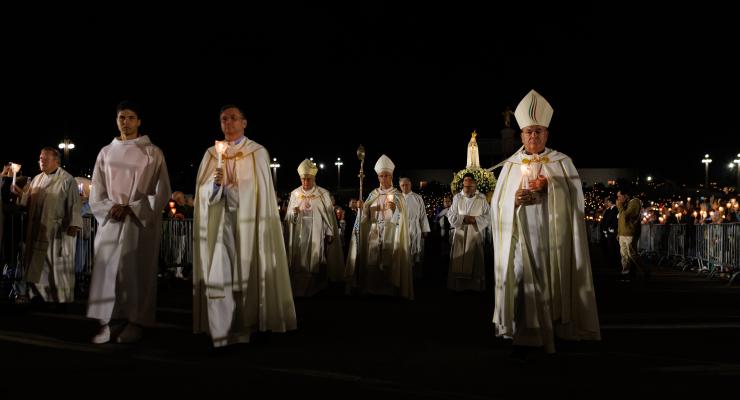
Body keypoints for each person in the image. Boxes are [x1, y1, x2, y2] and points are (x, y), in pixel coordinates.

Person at [490, 90, 600, 356]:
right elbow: (497, 205)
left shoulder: (562, 163)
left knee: (554, 283)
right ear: (521, 135)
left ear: (547, 134)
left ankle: (556, 331)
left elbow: (576, 203)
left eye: (538, 131)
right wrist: (513, 200)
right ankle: (524, 336)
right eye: (528, 132)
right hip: (521, 240)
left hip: (553, 240)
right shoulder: (510, 165)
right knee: (520, 281)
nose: (533, 137)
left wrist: (551, 187)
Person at [193, 104, 296, 347]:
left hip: (249, 225)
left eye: (232, 118)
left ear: (244, 123)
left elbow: (257, 193)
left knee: (246, 273)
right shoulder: (211, 154)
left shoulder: (257, 152)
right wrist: (215, 186)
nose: (227, 123)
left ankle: (246, 327)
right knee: (220, 274)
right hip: (220, 225)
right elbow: (201, 192)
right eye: (223, 119)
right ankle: (220, 332)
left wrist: (229, 190)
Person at [87, 101, 171, 344]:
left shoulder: (153, 152)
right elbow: (97, 189)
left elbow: (162, 191)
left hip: (137, 222)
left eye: (131, 117)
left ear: (139, 121)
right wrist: (109, 207)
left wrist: (132, 208)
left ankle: (136, 321)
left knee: (136, 272)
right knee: (108, 272)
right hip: (111, 220)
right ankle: (108, 321)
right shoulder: (105, 152)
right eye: (122, 117)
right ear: (116, 120)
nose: (126, 122)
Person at [11, 147, 81, 304]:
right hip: (37, 230)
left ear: (56, 161)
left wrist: (74, 224)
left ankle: (59, 300)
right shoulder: (37, 179)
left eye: (45, 159)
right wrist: (20, 195)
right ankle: (38, 297)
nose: (41, 161)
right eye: (40, 158)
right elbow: (27, 201)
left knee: (55, 267)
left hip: (57, 231)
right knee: (38, 267)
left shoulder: (67, 180)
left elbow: (74, 204)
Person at [345, 154, 413, 299]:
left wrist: (395, 210)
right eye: (381, 176)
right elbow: (364, 220)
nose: (383, 179)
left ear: (391, 176)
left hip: (391, 232)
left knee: (389, 262)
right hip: (374, 232)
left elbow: (402, 220)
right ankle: (372, 289)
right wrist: (361, 208)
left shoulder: (398, 196)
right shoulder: (372, 195)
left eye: (386, 175)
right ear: (378, 177)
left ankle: (389, 290)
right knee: (373, 262)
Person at [283, 159, 344, 296]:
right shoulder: (295, 194)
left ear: (314, 178)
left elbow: (329, 217)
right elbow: (289, 219)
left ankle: (317, 288)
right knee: (300, 260)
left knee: (316, 259)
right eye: (303, 179)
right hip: (300, 234)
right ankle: (298, 289)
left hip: (317, 232)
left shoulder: (322, 194)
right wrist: (294, 213)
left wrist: (329, 232)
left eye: (308, 179)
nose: (305, 182)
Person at [447, 173, 489, 291]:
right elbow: (450, 214)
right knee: (459, 259)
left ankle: (475, 286)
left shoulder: (481, 198)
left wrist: (476, 220)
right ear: (463, 185)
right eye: (465, 184)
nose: (467, 187)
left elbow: (488, 215)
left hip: (475, 232)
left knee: (475, 259)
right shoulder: (457, 198)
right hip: (460, 231)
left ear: (475, 185)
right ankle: (459, 286)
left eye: (470, 185)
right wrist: (463, 219)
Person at [398, 177, 430, 278]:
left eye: (406, 185)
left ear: (410, 185)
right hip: (402, 229)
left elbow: (423, 215)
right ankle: (404, 275)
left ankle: (416, 275)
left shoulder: (417, 197)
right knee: (404, 252)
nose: (405, 187)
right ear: (400, 186)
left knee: (417, 253)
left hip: (415, 228)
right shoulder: (397, 198)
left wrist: (425, 230)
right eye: (402, 185)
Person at [616, 185, 648, 281]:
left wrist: (620, 206)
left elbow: (626, 216)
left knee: (632, 254)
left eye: (620, 196)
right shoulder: (626, 203)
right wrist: (619, 232)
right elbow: (621, 220)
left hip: (630, 233)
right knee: (624, 255)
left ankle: (644, 271)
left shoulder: (634, 202)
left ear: (626, 195)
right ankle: (626, 273)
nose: (618, 199)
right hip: (623, 233)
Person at [599, 195, 620, 269]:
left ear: (610, 202)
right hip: (608, 231)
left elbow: (614, 220)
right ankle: (610, 262)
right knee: (609, 247)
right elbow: (606, 220)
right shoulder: (609, 209)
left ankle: (613, 263)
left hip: (612, 231)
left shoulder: (615, 209)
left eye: (608, 201)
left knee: (612, 247)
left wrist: (611, 228)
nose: (607, 202)